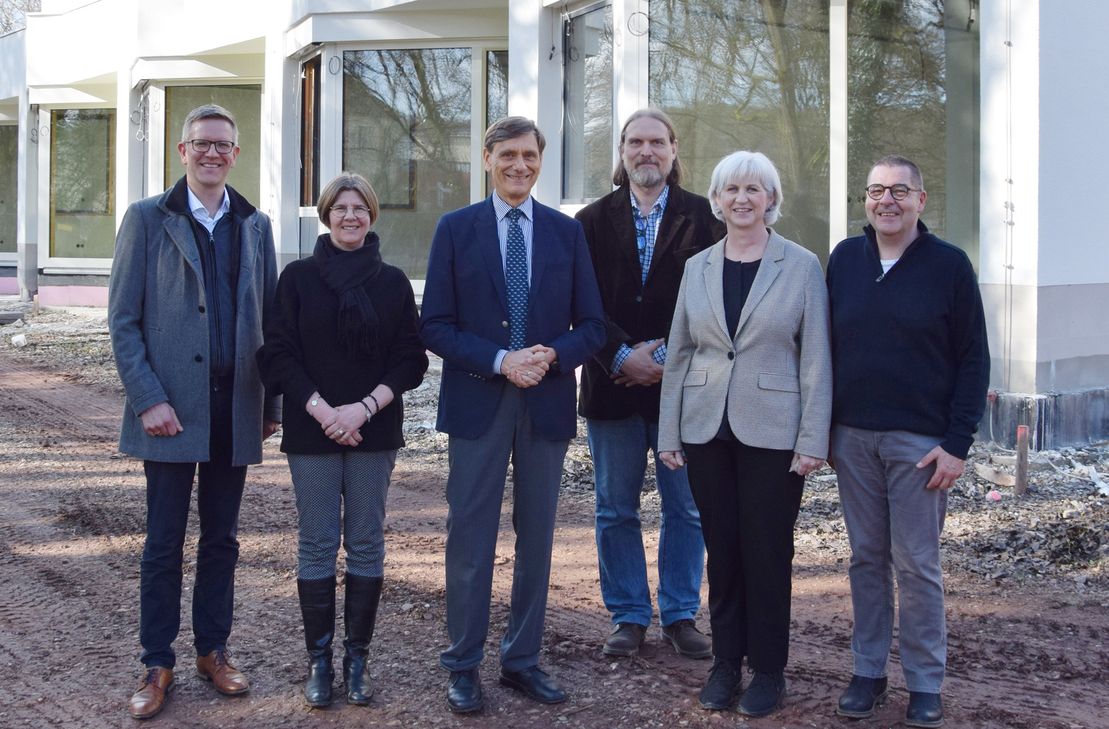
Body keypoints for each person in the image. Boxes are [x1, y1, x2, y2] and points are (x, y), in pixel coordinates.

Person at [420, 116, 605, 714]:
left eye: (529, 155)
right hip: (480, 402)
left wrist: (553, 356)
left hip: (545, 403)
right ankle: (462, 664)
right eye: (508, 155)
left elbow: (593, 326)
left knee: (538, 539)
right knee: (470, 538)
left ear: (540, 161)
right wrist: (502, 360)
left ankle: (522, 660)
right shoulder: (455, 229)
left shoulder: (566, 232)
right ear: (487, 159)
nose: (519, 165)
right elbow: (434, 325)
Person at [108, 104, 279, 720]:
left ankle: (213, 651)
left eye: (223, 145)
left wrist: (271, 403)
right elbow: (123, 320)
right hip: (170, 411)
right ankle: (157, 662)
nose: (212, 153)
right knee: (163, 542)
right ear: (182, 150)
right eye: (202, 143)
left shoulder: (254, 224)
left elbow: (270, 320)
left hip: (235, 408)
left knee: (222, 540)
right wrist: (148, 398)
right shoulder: (147, 219)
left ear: (236, 154)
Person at [657, 150, 831, 717]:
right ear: (716, 199)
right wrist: (668, 432)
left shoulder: (801, 265)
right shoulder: (698, 267)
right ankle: (726, 663)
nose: (742, 198)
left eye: (754, 189)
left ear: (771, 199)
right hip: (706, 428)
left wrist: (813, 439)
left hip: (774, 433)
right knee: (723, 551)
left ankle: (769, 672)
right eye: (731, 189)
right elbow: (680, 352)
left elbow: (816, 358)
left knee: (767, 551)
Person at [828, 155, 989, 729]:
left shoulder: (949, 265)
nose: (887, 201)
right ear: (866, 201)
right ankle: (868, 672)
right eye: (876, 191)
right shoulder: (845, 259)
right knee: (866, 559)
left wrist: (957, 444)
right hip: (851, 440)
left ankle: (924, 681)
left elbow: (974, 359)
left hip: (920, 446)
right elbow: (823, 348)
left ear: (921, 200)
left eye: (899, 191)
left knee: (917, 564)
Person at [256, 173, 428, 708]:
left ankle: (357, 659)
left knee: (366, 541)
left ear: (372, 215)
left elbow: (411, 359)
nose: (350, 216)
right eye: (340, 208)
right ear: (325, 214)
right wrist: (324, 410)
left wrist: (364, 408)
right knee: (316, 542)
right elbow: (278, 352)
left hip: (374, 430)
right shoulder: (298, 278)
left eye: (359, 208)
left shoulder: (393, 282)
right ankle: (320, 660)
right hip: (313, 431)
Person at [575, 108, 722, 659]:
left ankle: (680, 614)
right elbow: (580, 302)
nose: (646, 151)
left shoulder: (706, 219)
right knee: (615, 508)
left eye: (657, 142)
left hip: (682, 391)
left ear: (674, 149)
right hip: (610, 386)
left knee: (686, 507)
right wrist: (619, 354)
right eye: (635, 142)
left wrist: (660, 357)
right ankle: (629, 615)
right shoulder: (590, 221)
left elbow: (712, 301)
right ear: (622, 151)